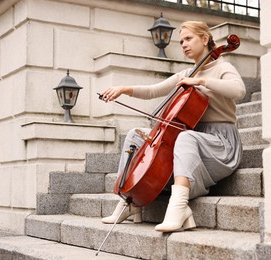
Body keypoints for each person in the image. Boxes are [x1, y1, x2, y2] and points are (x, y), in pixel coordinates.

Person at [99, 21, 246, 232]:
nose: (184, 44)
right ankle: (129, 201)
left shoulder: (223, 67)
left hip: (222, 143)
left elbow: (238, 90)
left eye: (189, 39)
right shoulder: (187, 73)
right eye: (181, 41)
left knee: (185, 137)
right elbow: (152, 91)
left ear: (204, 39)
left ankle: (179, 208)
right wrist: (123, 89)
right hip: (196, 139)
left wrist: (202, 83)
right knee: (134, 135)